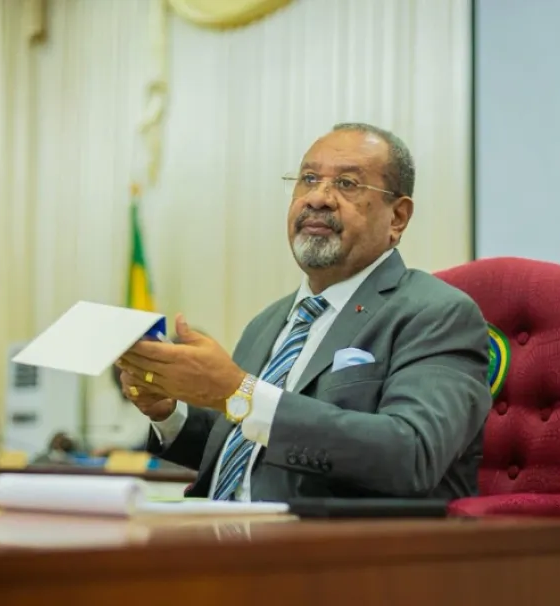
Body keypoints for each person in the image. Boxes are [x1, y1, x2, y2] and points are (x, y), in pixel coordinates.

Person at [116, 122, 492, 502]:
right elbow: (254, 454)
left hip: (321, 536)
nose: (318, 198)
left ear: (397, 217)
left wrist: (238, 392)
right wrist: (169, 412)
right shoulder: (268, 322)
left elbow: (412, 455)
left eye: (346, 183)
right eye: (309, 179)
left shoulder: (437, 314)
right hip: (217, 526)